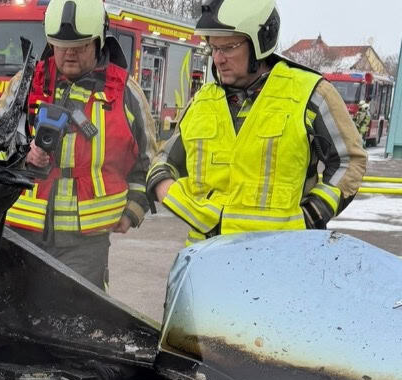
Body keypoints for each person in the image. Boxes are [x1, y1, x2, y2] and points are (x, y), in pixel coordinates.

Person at [147, 0, 367, 245]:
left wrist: (313, 214)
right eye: (212, 48)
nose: (218, 59)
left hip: (281, 256)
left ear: (260, 42)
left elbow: (349, 160)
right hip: (207, 260)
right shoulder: (201, 102)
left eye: (228, 47)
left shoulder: (310, 94)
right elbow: (165, 162)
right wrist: (168, 191)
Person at [0, 0, 157, 290]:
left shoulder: (125, 91)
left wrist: (133, 212)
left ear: (99, 41)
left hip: (86, 243)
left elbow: (150, 161)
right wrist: (22, 153)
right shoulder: (26, 82)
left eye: (80, 46)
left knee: (78, 317)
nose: (69, 54)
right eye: (60, 45)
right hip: (23, 232)